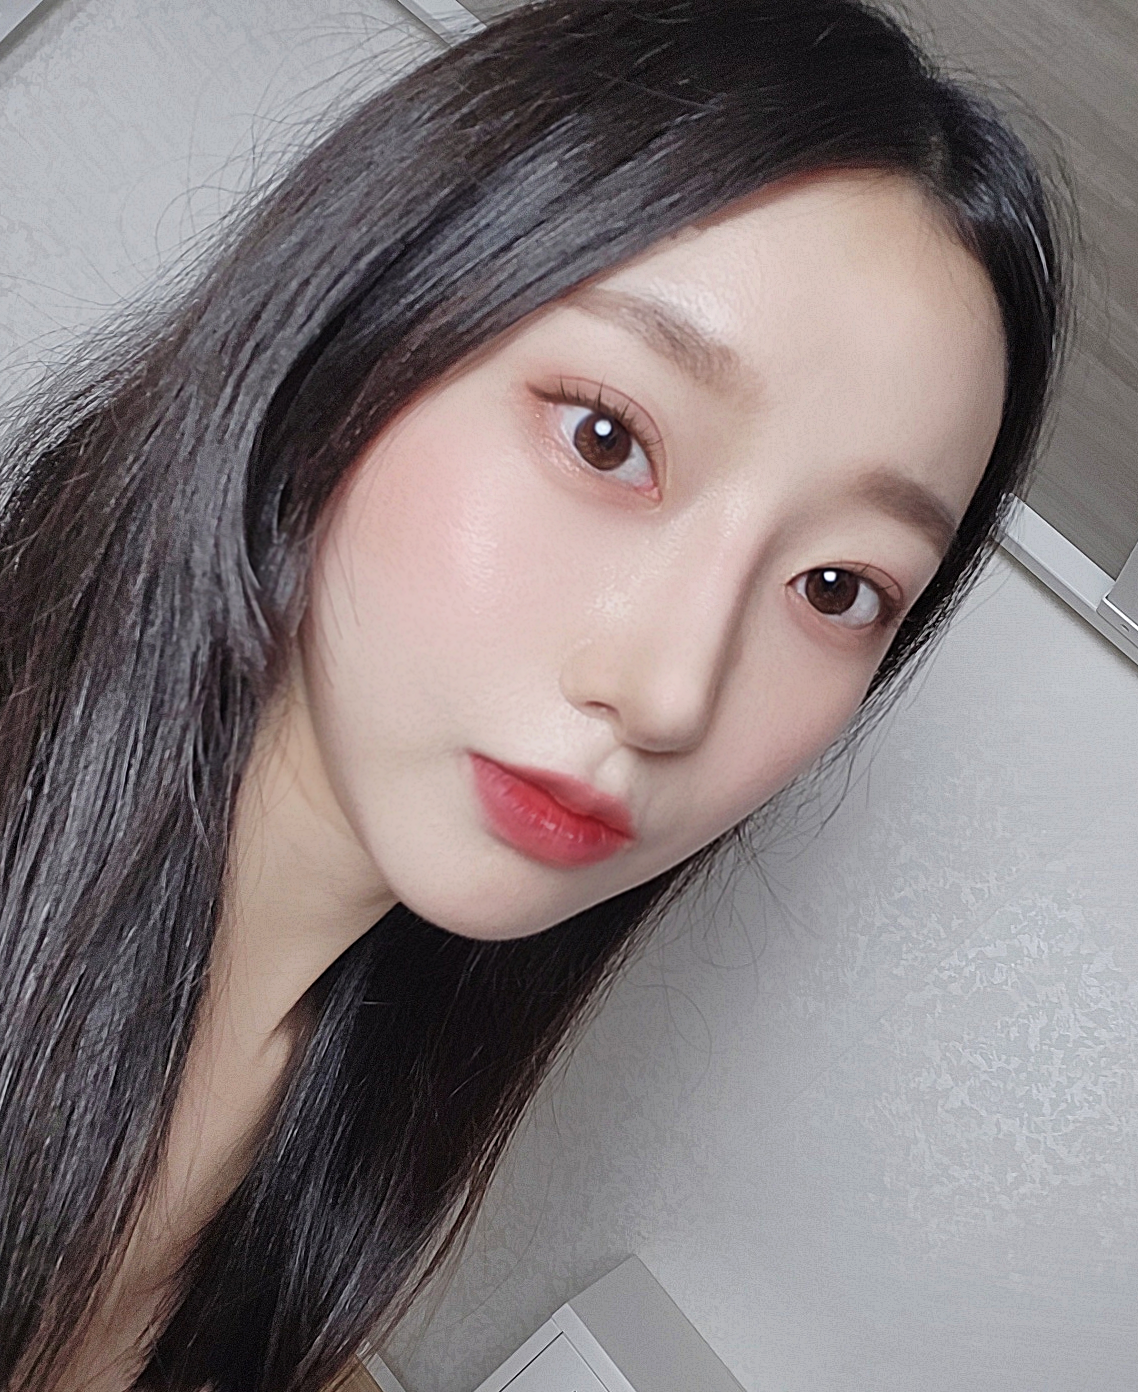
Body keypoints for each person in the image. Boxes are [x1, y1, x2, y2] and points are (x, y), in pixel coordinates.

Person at [0, 0, 1068, 1387]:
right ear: (356, 316)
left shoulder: (334, 1133)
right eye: (608, 438)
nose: (670, 693)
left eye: (836, 588)